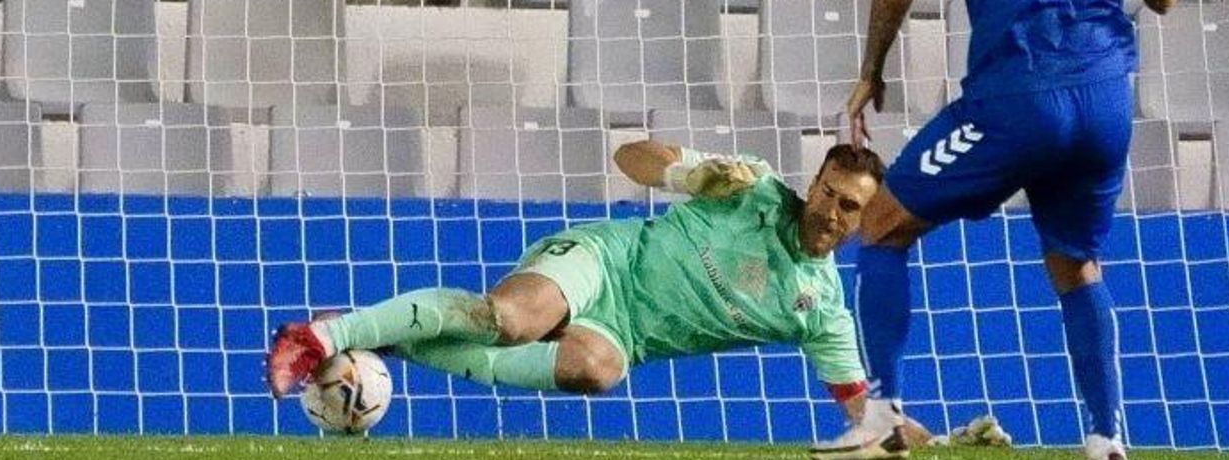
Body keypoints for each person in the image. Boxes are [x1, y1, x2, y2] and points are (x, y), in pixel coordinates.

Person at [845, 0, 1177, 460]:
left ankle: (881, 415)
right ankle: (1105, 438)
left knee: (882, 225)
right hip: (1104, 101)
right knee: (1077, 265)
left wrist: (872, 69)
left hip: (1019, 93)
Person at [266, 141, 913, 457]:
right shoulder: (754, 190)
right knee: (510, 320)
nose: (831, 208)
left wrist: (940, 443)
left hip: (622, 332)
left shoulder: (822, 309)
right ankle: (314, 338)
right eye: (827, 190)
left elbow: (866, 413)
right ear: (816, 181)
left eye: (848, 204)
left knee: (597, 371)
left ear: (865, 216)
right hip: (604, 262)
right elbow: (630, 157)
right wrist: (695, 172)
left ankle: (375, 334)